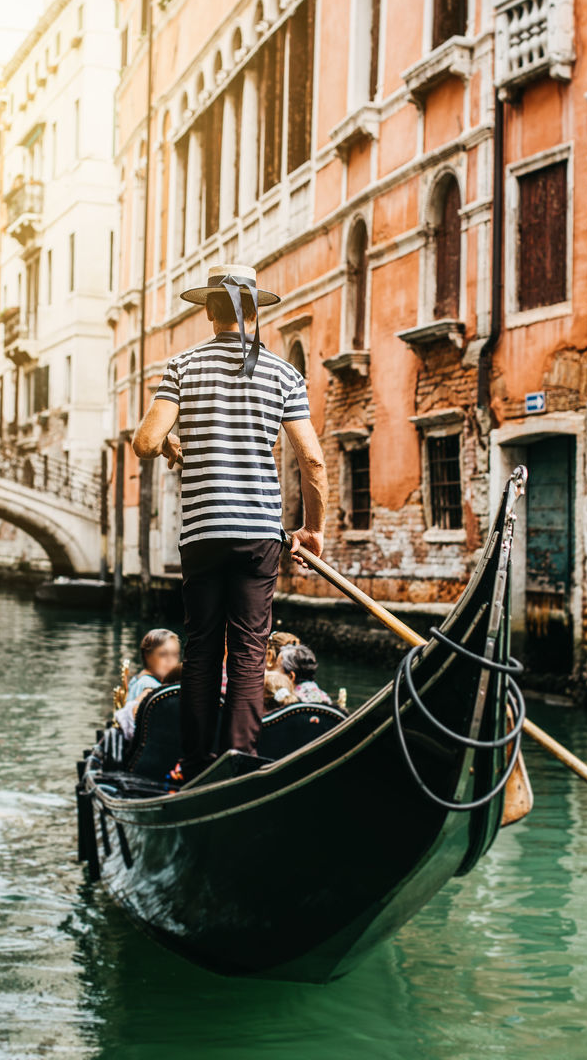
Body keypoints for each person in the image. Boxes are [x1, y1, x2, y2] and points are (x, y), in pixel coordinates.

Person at [132, 262, 328, 783]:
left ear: (209, 312)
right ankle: (239, 759)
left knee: (201, 650)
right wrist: (311, 528)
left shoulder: (182, 366)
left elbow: (146, 443)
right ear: (254, 311)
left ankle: (195, 765)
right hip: (260, 534)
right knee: (247, 651)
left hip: (202, 533)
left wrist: (174, 442)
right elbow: (312, 460)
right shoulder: (284, 374)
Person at [126, 628, 181, 703]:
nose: (170, 660)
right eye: (163, 654)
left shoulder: (141, 678)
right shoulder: (148, 687)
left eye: (175, 655)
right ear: (147, 656)